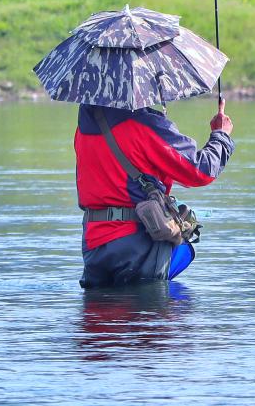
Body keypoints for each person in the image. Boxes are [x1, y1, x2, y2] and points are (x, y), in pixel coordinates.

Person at [75, 99, 234, 288]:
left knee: (100, 313)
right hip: (136, 243)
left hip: (93, 245)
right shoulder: (145, 125)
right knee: (153, 313)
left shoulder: (84, 128)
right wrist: (221, 135)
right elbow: (201, 171)